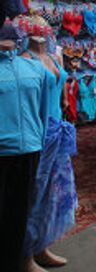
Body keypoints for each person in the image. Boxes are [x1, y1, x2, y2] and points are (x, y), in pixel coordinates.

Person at [19, 21, 77, 272]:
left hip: (57, 127)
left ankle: (41, 246)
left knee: (55, 190)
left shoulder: (55, 56)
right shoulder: (23, 58)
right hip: (37, 130)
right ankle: (24, 255)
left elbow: (61, 85)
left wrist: (65, 99)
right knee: (34, 192)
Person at [0, 24, 51, 272]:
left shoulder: (34, 69)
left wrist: (37, 140)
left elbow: (42, 109)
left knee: (20, 212)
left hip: (29, 148)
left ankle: (15, 263)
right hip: (2, 150)